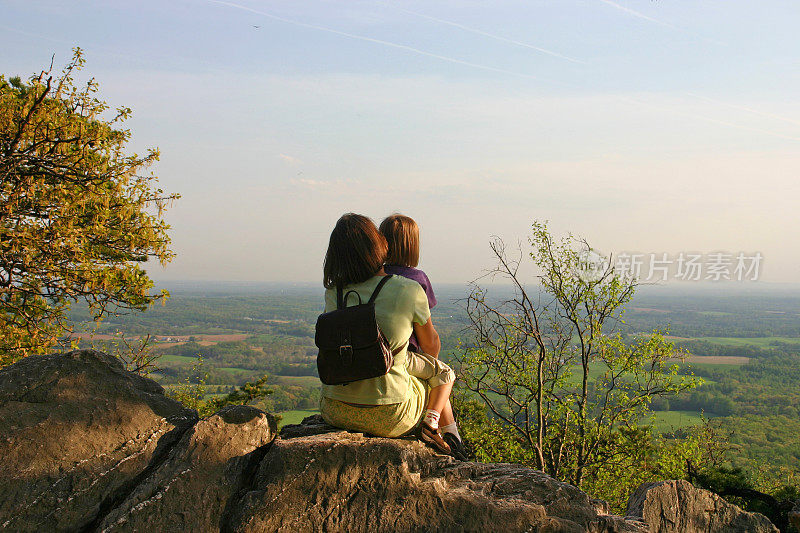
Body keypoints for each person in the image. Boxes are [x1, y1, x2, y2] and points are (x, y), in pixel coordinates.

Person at [319, 213, 466, 459]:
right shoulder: (408, 288)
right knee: (438, 376)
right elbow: (430, 345)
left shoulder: (333, 292)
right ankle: (447, 437)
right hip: (392, 416)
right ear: (378, 246)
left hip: (334, 410)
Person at [379, 213, 465, 455]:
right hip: (404, 356)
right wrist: (432, 354)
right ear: (413, 245)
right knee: (441, 373)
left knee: (434, 374)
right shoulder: (416, 279)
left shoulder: (374, 276)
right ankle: (443, 429)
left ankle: (452, 436)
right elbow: (428, 340)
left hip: (375, 353)